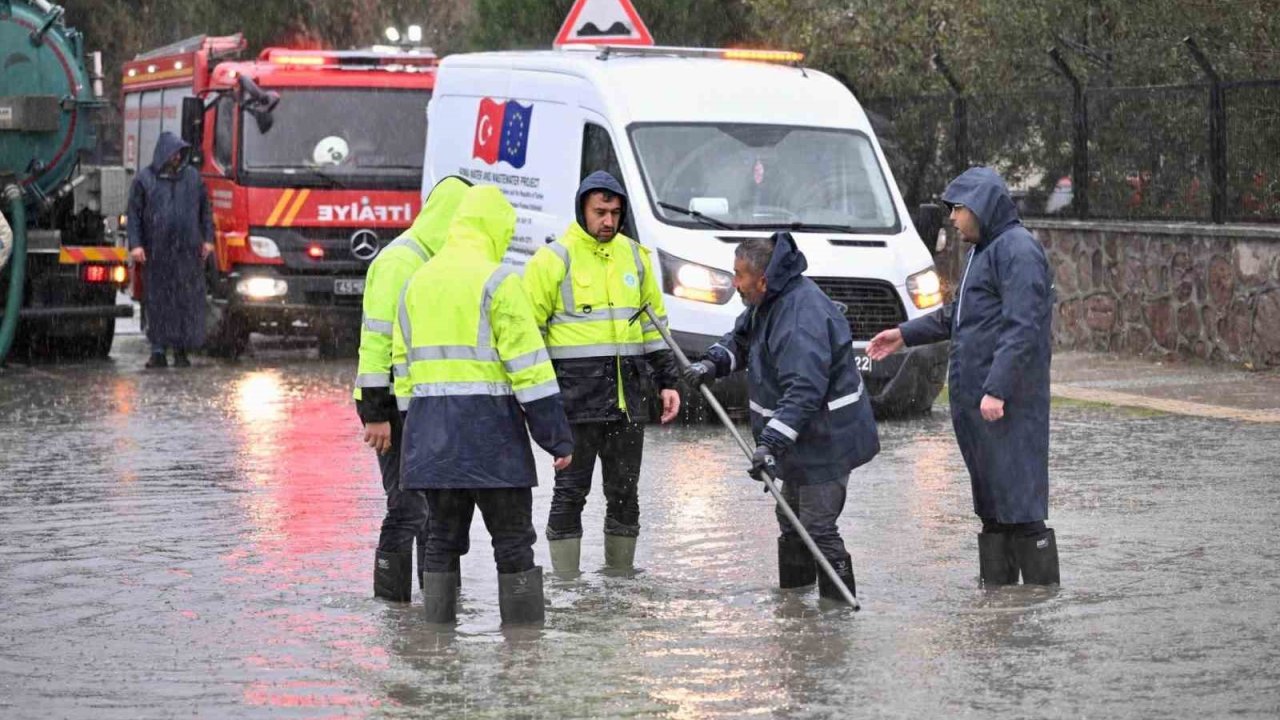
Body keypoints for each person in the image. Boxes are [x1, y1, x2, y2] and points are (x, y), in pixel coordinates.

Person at [867, 166, 1059, 586]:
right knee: (993, 510)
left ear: (980, 206)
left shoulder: (1018, 251)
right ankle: (1000, 605)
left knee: (1022, 509)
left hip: (1008, 407)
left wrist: (996, 389)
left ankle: (1038, 604)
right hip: (981, 409)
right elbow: (957, 317)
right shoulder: (981, 252)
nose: (951, 219)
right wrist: (903, 333)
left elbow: (1023, 327)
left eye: (956, 209)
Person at [392, 184, 574, 625]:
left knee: (440, 539)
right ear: (495, 229)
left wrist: (415, 434)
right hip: (492, 440)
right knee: (512, 542)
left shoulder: (416, 284)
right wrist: (557, 439)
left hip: (433, 441)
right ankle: (524, 651)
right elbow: (530, 370)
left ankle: (436, 644)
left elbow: (402, 371)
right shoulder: (500, 282)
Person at [683, 233, 880, 603]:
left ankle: (835, 621)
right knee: (790, 522)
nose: (735, 284)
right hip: (800, 438)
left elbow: (804, 391)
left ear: (762, 279)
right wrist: (712, 362)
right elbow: (741, 340)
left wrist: (770, 444)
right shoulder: (768, 301)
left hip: (827, 440)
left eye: (739, 276)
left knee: (817, 528)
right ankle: (795, 610)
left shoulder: (799, 318)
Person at [522, 171, 680, 574]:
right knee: (571, 493)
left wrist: (668, 382)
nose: (608, 221)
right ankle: (567, 587)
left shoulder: (637, 258)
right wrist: (536, 399)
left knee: (625, 494)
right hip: (573, 402)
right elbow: (528, 334)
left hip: (628, 400)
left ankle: (620, 580)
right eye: (600, 212)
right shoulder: (554, 259)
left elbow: (654, 327)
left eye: (614, 212)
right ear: (582, 210)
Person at [354, 175, 471, 602]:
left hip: (424, 405)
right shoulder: (400, 261)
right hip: (391, 407)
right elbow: (375, 342)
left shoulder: (440, 261)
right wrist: (376, 412)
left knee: (436, 511)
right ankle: (393, 607)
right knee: (408, 507)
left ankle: (434, 611)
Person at [126, 131, 213, 369]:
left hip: (187, 253)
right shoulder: (144, 179)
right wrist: (136, 244)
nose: (176, 158)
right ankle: (158, 350)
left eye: (179, 154)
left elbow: (206, 210)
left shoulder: (193, 178)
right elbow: (133, 214)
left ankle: (182, 350)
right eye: (174, 153)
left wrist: (208, 239)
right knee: (158, 302)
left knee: (186, 302)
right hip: (158, 252)